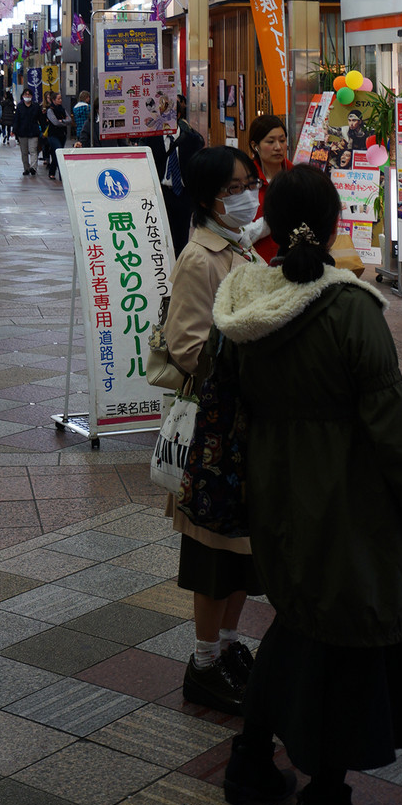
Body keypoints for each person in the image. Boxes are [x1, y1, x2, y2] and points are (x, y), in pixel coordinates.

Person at [216, 165, 402, 805]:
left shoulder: (242, 303)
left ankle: (251, 759)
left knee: (297, 620)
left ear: (268, 215)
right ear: (333, 224)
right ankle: (327, 790)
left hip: (272, 486)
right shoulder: (349, 309)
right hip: (348, 496)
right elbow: (394, 420)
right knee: (346, 637)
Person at [162, 146, 262, 716]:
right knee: (214, 555)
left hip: (246, 426)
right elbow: (186, 347)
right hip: (216, 433)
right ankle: (202, 665)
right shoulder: (200, 258)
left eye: (248, 183)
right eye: (233, 188)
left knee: (243, 551)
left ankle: (225, 648)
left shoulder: (240, 244)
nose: (246, 195)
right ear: (206, 200)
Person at [148, 112, 205, 254]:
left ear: (178, 115)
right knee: (161, 233)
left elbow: (197, 169)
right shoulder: (151, 139)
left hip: (183, 193)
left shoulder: (192, 139)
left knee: (182, 236)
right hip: (161, 193)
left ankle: (179, 266)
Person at [247, 113, 290, 259]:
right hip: (256, 264)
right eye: (270, 142)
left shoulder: (297, 177)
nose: (278, 147)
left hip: (293, 263)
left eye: (282, 140)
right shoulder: (244, 181)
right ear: (255, 146)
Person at [14, 86, 43, 176]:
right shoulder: (19, 106)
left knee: (33, 150)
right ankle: (26, 168)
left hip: (33, 132)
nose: (27, 95)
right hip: (22, 132)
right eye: (25, 94)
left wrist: (43, 129)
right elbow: (16, 119)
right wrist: (14, 130)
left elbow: (40, 119)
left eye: (29, 94)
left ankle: (33, 168)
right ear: (22, 96)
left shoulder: (36, 106)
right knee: (24, 152)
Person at [42, 94, 69, 180]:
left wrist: (63, 121)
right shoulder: (50, 110)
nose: (60, 100)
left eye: (61, 98)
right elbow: (55, 122)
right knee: (59, 151)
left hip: (62, 134)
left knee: (55, 154)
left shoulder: (63, 109)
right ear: (53, 100)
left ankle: (52, 171)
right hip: (53, 135)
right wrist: (63, 122)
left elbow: (69, 120)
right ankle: (62, 174)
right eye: (58, 99)